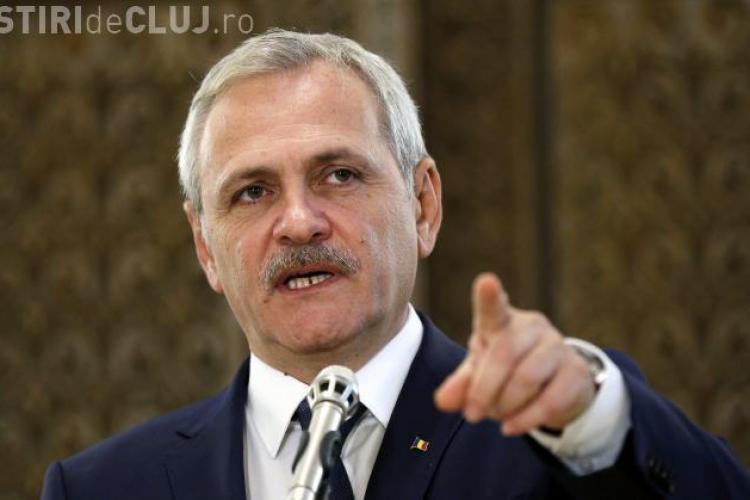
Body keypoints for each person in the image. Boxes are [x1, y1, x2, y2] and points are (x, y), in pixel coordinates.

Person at [42, 29, 749, 500]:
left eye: (339, 175)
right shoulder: (101, 488)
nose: (298, 222)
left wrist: (594, 419)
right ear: (206, 247)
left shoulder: (555, 442)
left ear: (423, 204)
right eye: (252, 192)